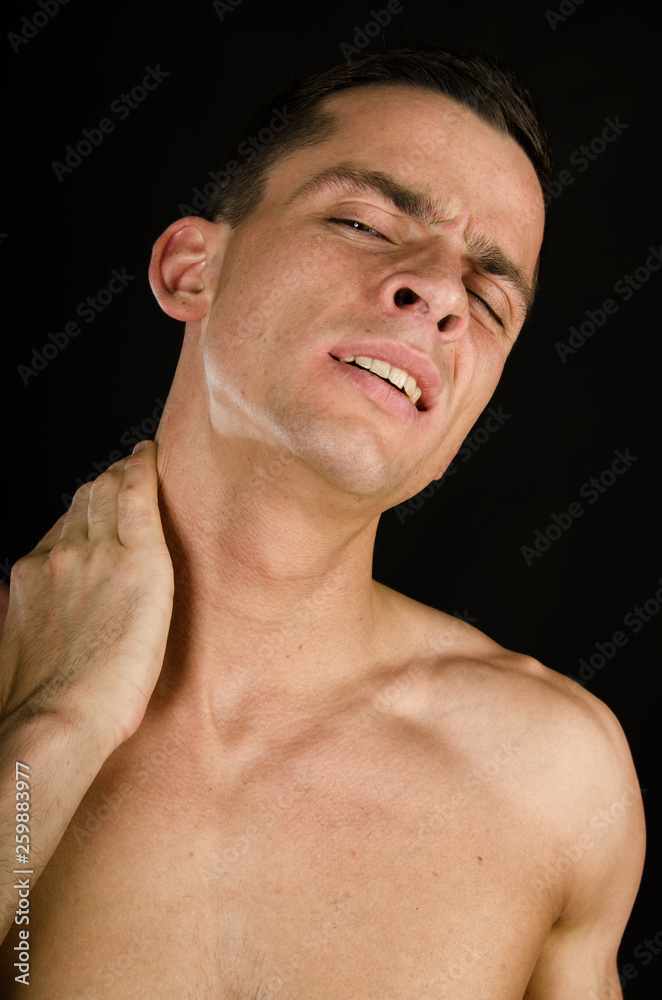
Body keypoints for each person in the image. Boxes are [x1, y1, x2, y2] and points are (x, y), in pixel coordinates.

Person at [0, 47, 645, 998]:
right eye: (364, 223)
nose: (440, 294)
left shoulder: (555, 779)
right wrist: (51, 728)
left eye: (488, 297)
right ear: (191, 269)